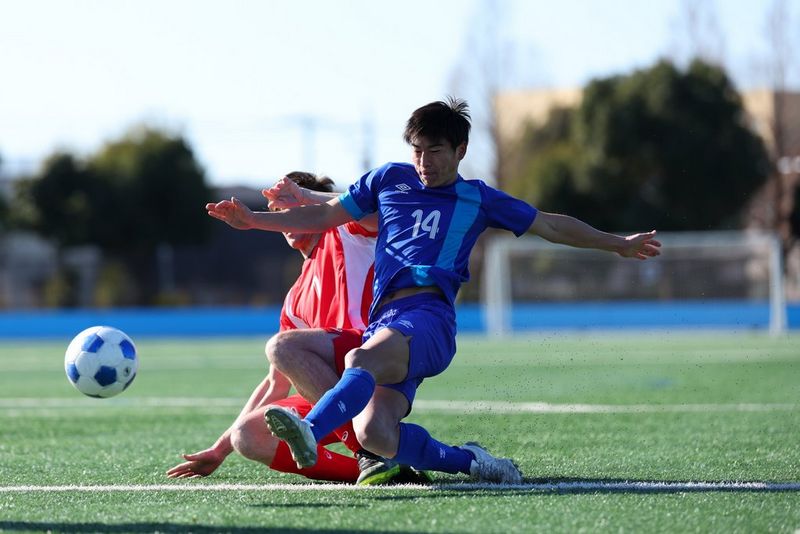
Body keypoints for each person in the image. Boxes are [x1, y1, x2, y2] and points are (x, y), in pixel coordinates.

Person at [206, 97, 662, 484]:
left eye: (436, 150)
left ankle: (309, 427)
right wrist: (254, 221)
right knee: (375, 433)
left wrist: (616, 243)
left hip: (428, 319)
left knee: (358, 360)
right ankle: (474, 462)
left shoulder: (479, 198)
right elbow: (324, 216)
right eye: (418, 150)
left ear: (461, 150)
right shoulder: (389, 179)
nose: (424, 161)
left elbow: (550, 224)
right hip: (385, 325)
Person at [168, 171, 424, 485]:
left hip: (377, 357)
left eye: (291, 208)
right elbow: (276, 383)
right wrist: (221, 448)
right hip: (334, 385)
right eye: (276, 214)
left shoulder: (348, 229)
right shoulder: (294, 299)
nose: (284, 219)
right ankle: (381, 468)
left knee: (281, 345)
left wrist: (313, 199)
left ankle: (369, 453)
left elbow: (375, 211)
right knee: (247, 436)